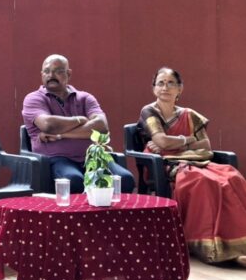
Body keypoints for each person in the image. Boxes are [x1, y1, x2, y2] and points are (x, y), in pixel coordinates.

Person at [138, 67, 246, 267]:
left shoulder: (189, 115)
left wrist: (176, 142)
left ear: (180, 89)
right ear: (154, 89)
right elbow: (161, 142)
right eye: (160, 83)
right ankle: (211, 248)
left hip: (197, 160)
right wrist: (188, 140)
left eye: (171, 83)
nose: (165, 87)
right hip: (164, 163)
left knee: (232, 177)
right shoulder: (149, 111)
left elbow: (205, 145)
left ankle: (238, 244)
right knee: (201, 181)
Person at [22, 54, 135, 194]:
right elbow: (48, 125)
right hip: (56, 158)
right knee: (74, 181)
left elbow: (101, 127)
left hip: (92, 157)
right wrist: (80, 120)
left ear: (68, 74)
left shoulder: (85, 98)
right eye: (46, 71)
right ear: (41, 74)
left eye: (58, 71)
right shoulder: (33, 98)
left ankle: (106, 209)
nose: (51, 75)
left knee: (125, 180)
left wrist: (60, 135)